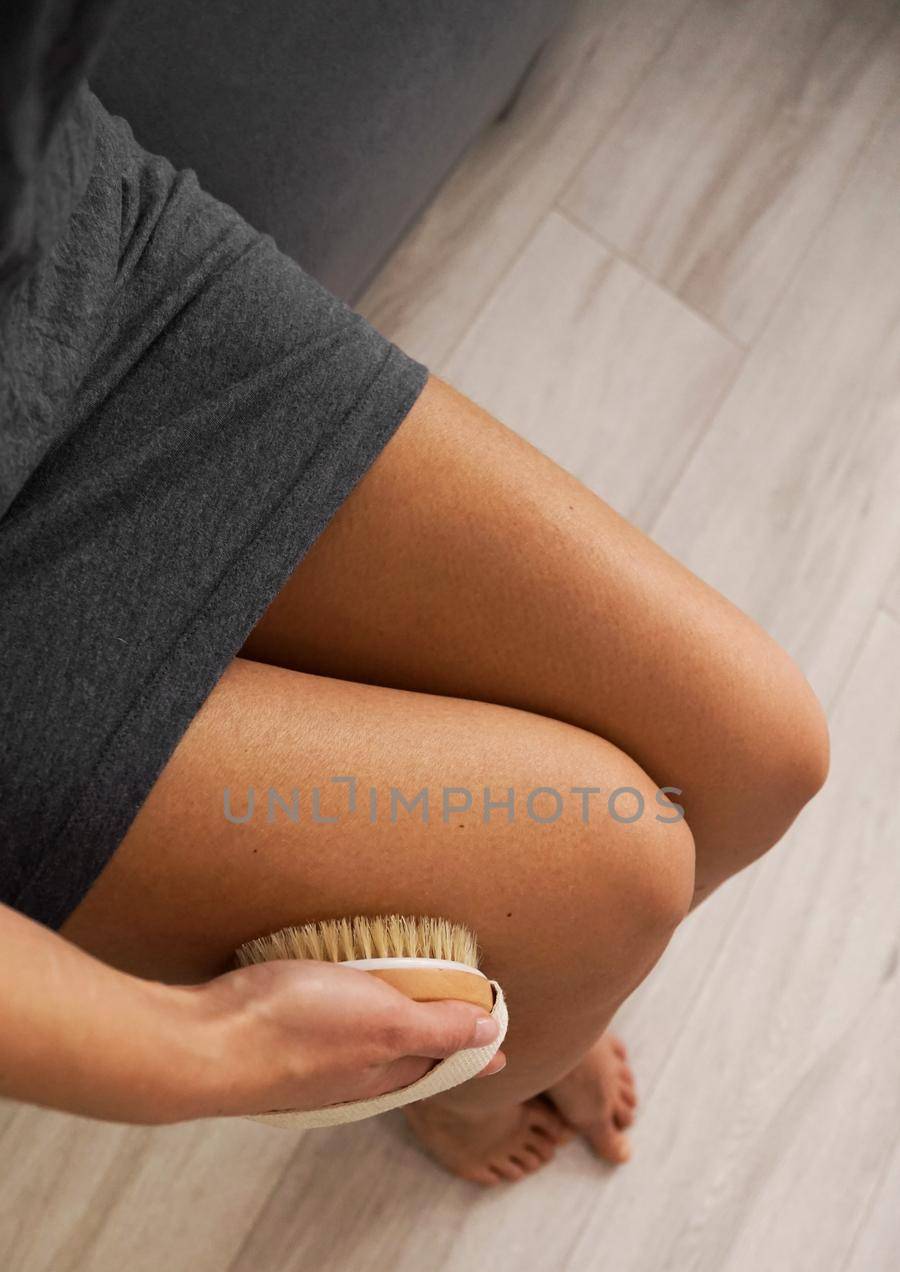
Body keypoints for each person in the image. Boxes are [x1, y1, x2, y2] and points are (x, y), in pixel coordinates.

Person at [0, 0, 830, 1184]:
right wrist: (206, 1048)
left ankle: (553, 1014)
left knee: (765, 748)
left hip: (76, 258)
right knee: (620, 869)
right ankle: (477, 1093)